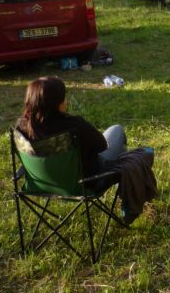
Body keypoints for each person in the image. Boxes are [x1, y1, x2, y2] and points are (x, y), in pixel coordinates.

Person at [16, 76, 156, 224]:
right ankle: (129, 194)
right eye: (64, 97)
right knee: (117, 131)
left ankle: (129, 188)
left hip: (41, 184)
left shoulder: (21, 128)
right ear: (57, 103)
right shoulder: (74, 126)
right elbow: (102, 146)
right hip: (86, 183)